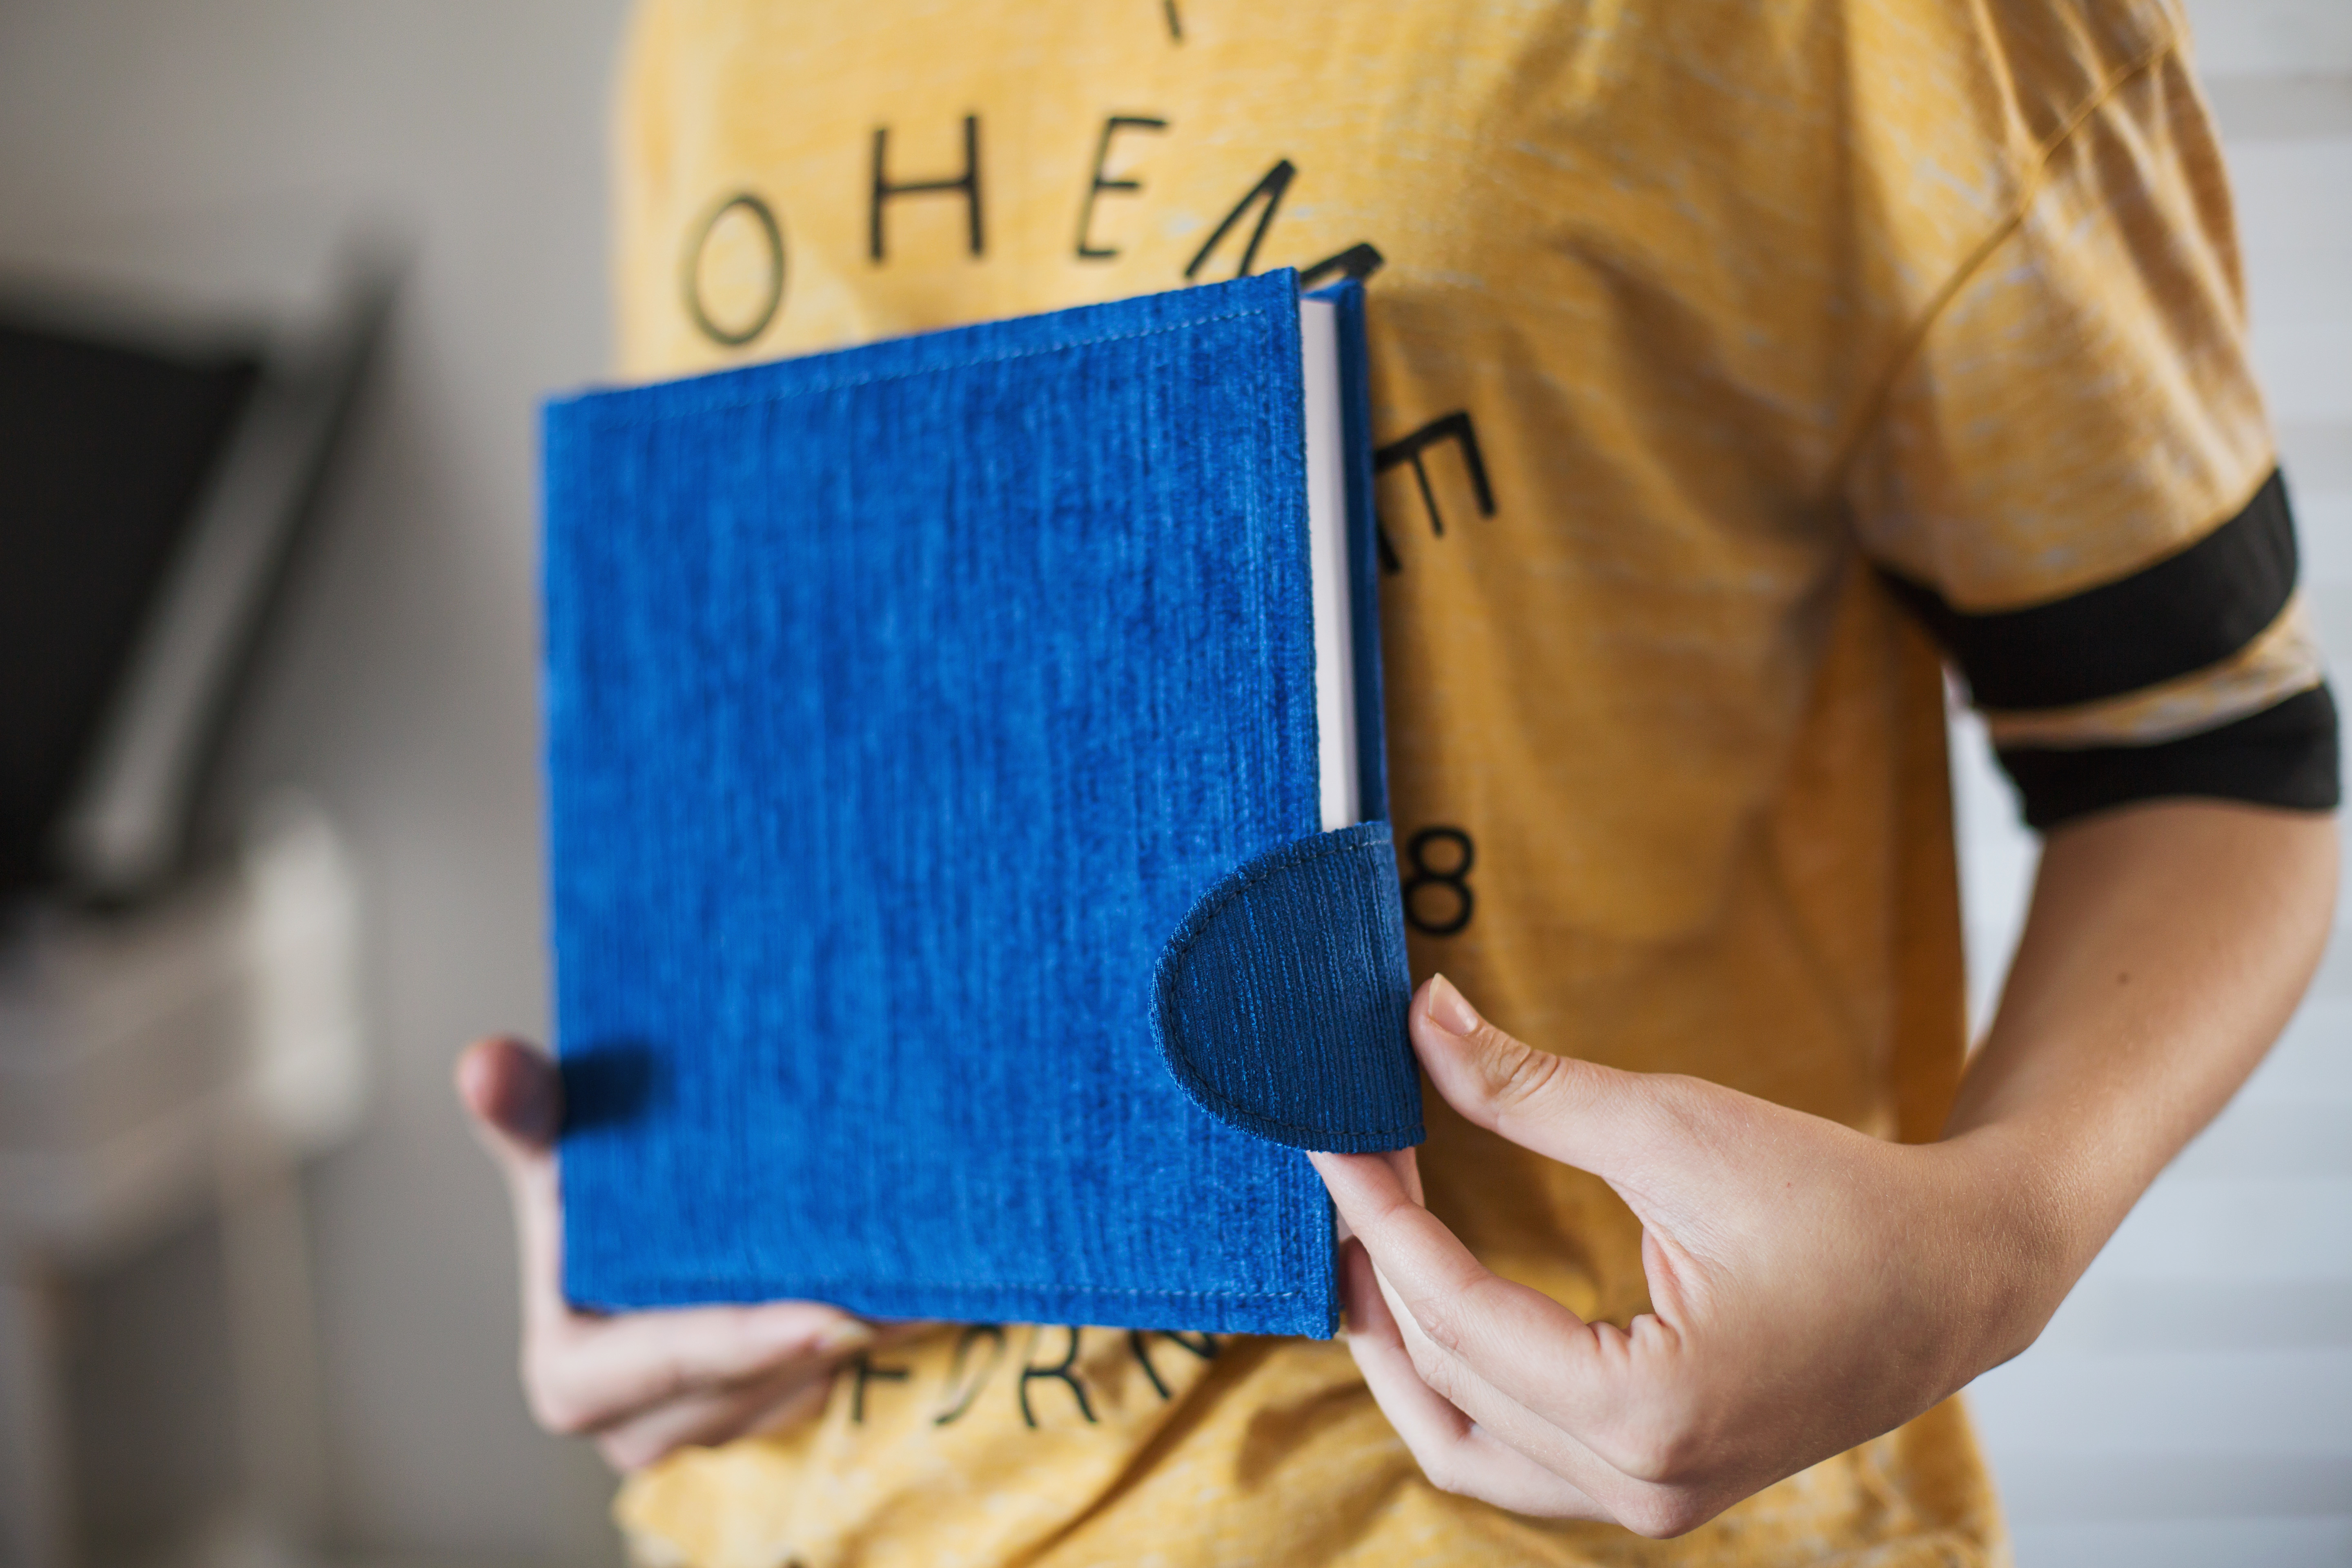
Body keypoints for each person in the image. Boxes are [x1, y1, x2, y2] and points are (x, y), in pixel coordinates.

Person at [458, 0, 2339, 1561]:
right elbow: (804, 727)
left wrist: (1993, 1250)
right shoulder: (700, 34)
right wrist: (645, 1206)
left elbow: (2217, 750)